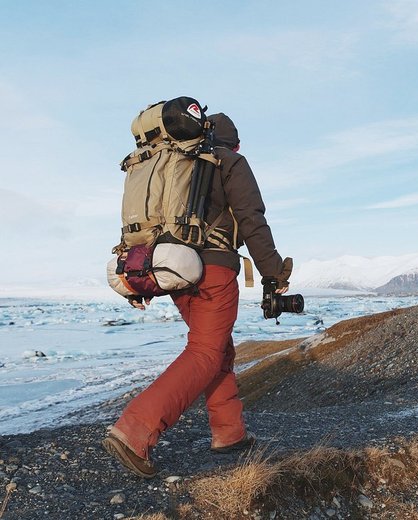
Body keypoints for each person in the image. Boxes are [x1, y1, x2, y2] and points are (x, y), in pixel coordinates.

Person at [102, 113, 293, 478]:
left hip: (174, 269)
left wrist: (138, 277)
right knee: (205, 351)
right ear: (234, 142)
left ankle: (230, 434)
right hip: (214, 271)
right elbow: (251, 218)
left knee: (217, 347)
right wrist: (273, 272)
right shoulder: (229, 160)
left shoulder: (175, 162)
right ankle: (134, 431)